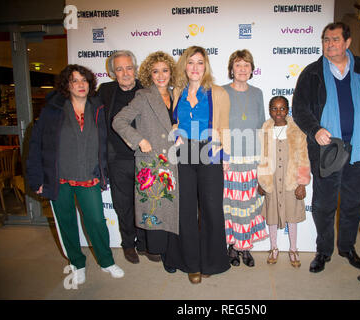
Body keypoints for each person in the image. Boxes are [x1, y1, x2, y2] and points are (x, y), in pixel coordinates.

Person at [26, 64, 124, 286]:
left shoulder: (98, 107)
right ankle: (77, 264)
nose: (80, 85)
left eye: (84, 80)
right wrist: (37, 178)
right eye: (75, 81)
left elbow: (107, 142)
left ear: (90, 84)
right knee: (66, 223)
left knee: (97, 222)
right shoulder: (52, 110)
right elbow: (36, 145)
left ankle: (106, 262)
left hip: (89, 175)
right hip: (58, 178)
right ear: (67, 86)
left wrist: (105, 170)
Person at [292, 22, 360, 273]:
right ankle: (323, 251)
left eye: (335, 39)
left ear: (347, 43)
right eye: (326, 39)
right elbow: (299, 109)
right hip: (327, 151)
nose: (329, 44)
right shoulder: (312, 72)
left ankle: (347, 248)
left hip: (358, 148)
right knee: (324, 205)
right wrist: (315, 129)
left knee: (353, 203)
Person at [164, 46, 231, 284]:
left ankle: (211, 261)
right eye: (190, 62)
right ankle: (191, 263)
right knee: (186, 209)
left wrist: (225, 156)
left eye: (200, 62)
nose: (195, 67)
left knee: (212, 208)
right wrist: (177, 134)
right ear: (184, 66)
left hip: (210, 151)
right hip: (183, 153)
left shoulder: (218, 93)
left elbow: (224, 126)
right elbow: (174, 121)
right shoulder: (178, 92)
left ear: (206, 66)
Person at [112, 51, 179, 273]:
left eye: (165, 70)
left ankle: (172, 251)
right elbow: (119, 121)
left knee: (174, 209)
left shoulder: (177, 94)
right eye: (155, 71)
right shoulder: (143, 96)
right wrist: (139, 139)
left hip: (177, 161)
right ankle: (161, 252)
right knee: (157, 208)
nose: (161, 75)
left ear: (171, 72)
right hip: (153, 162)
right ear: (149, 74)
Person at [98, 50, 160, 264]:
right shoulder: (105, 91)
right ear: (113, 72)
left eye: (129, 67)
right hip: (117, 160)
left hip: (144, 158)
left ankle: (145, 244)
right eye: (119, 69)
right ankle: (128, 244)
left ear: (135, 69)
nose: (125, 73)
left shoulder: (148, 91)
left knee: (145, 203)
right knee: (123, 205)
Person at [222, 49, 267, 268]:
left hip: (251, 157)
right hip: (228, 158)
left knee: (249, 205)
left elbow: (260, 127)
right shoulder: (220, 92)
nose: (242, 69)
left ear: (252, 69)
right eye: (238, 65)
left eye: (246, 65)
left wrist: (262, 159)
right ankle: (232, 246)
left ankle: (245, 247)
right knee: (230, 205)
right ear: (232, 69)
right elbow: (216, 126)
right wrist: (221, 154)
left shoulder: (257, 93)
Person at [257, 96, 310, 268]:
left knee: (291, 216)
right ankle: (274, 248)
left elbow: (303, 158)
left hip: (290, 182)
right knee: (272, 216)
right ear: (269, 110)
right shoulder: (265, 130)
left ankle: (293, 249)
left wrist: (302, 183)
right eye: (274, 108)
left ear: (288, 110)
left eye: (282, 108)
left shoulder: (297, 131)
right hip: (272, 181)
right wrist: (262, 181)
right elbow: (262, 157)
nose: (278, 112)